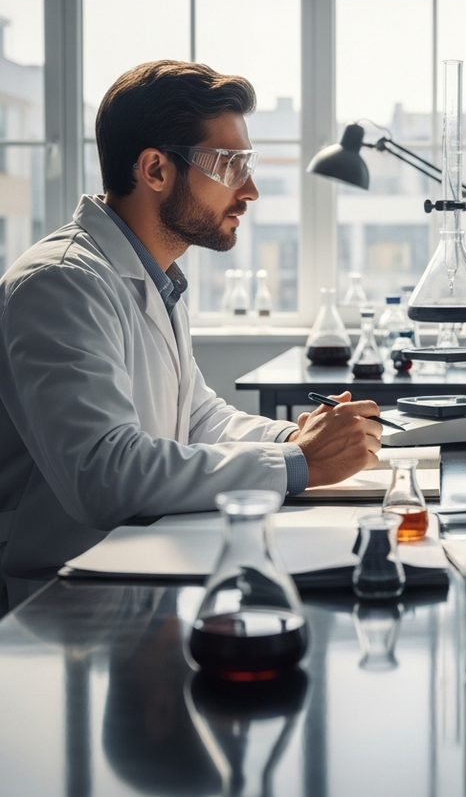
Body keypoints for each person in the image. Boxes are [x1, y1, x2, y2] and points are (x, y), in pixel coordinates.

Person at [0, 61, 382, 597]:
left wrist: (296, 438)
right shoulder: (60, 283)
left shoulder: (154, 275)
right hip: (57, 597)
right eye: (229, 165)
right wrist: (298, 462)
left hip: (137, 564)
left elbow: (197, 417)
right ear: (155, 169)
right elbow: (104, 473)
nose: (249, 190)